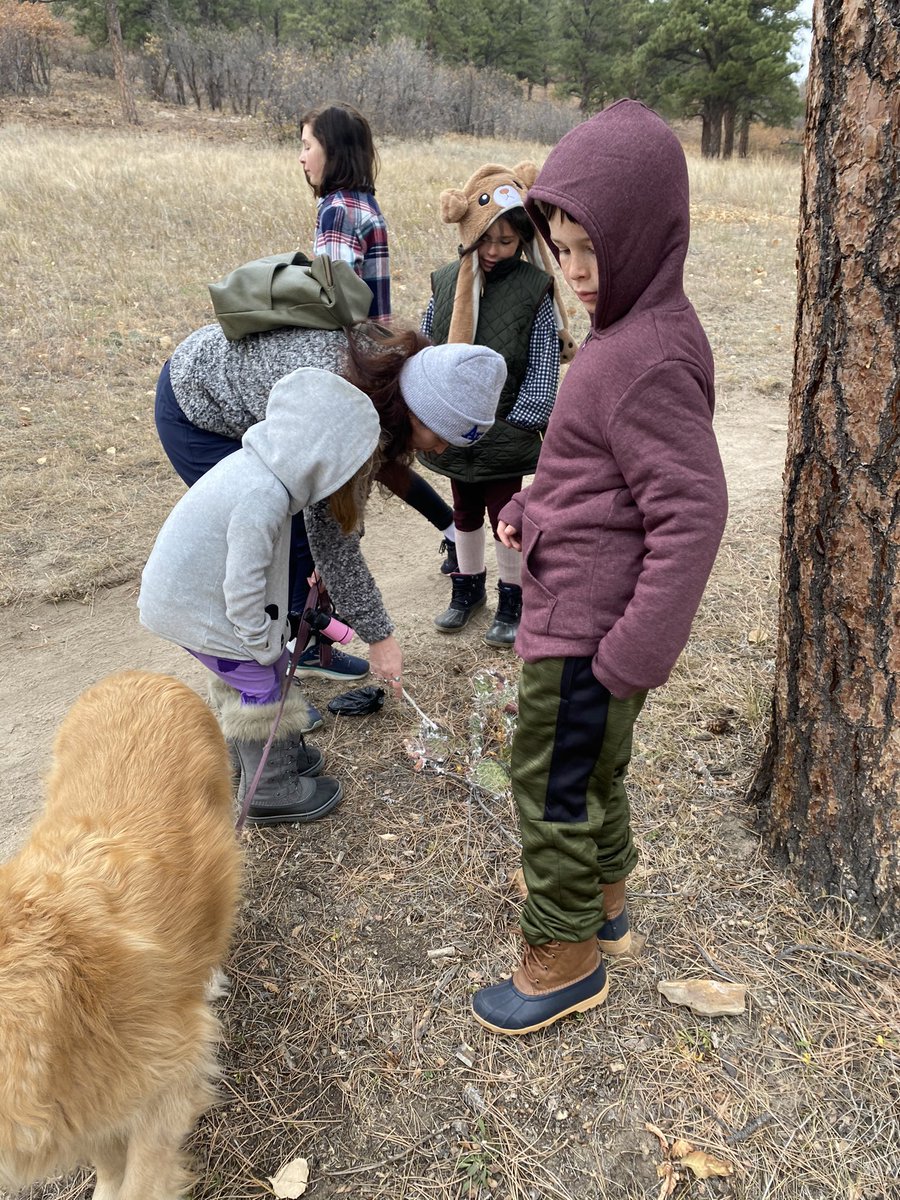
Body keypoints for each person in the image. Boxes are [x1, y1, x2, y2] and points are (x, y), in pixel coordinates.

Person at [470, 101, 729, 1035]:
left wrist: (630, 656)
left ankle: (563, 955)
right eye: (561, 247)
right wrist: (530, 511)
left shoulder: (644, 357)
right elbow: (603, 479)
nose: (575, 273)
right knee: (592, 774)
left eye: (592, 251)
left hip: (590, 635)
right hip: (581, 613)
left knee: (550, 784)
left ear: (652, 238)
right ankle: (606, 903)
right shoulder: (633, 335)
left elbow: (692, 513)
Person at [142, 346, 506, 826]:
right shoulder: (264, 496)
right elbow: (244, 579)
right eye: (439, 437)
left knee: (256, 677)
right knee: (259, 684)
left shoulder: (279, 465)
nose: (436, 452)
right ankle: (269, 790)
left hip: (195, 602)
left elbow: (295, 549)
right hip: (196, 608)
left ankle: (256, 760)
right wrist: (259, 639)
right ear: (325, 460)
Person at [299, 102, 460, 576]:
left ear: (333, 150)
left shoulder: (337, 209)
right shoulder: (365, 204)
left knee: (347, 475)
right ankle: (452, 529)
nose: (301, 158)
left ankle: (331, 588)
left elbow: (333, 298)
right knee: (379, 462)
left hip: (350, 361)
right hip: (375, 351)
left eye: (307, 146)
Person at [417, 161, 572, 646]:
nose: (495, 250)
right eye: (486, 239)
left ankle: (513, 596)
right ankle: (467, 591)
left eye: (507, 242)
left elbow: (544, 353)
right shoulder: (445, 282)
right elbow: (426, 343)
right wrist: (422, 406)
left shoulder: (533, 288)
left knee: (506, 516)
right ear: (468, 231)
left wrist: (527, 415)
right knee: (462, 509)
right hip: (452, 424)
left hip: (506, 424)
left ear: (523, 240)